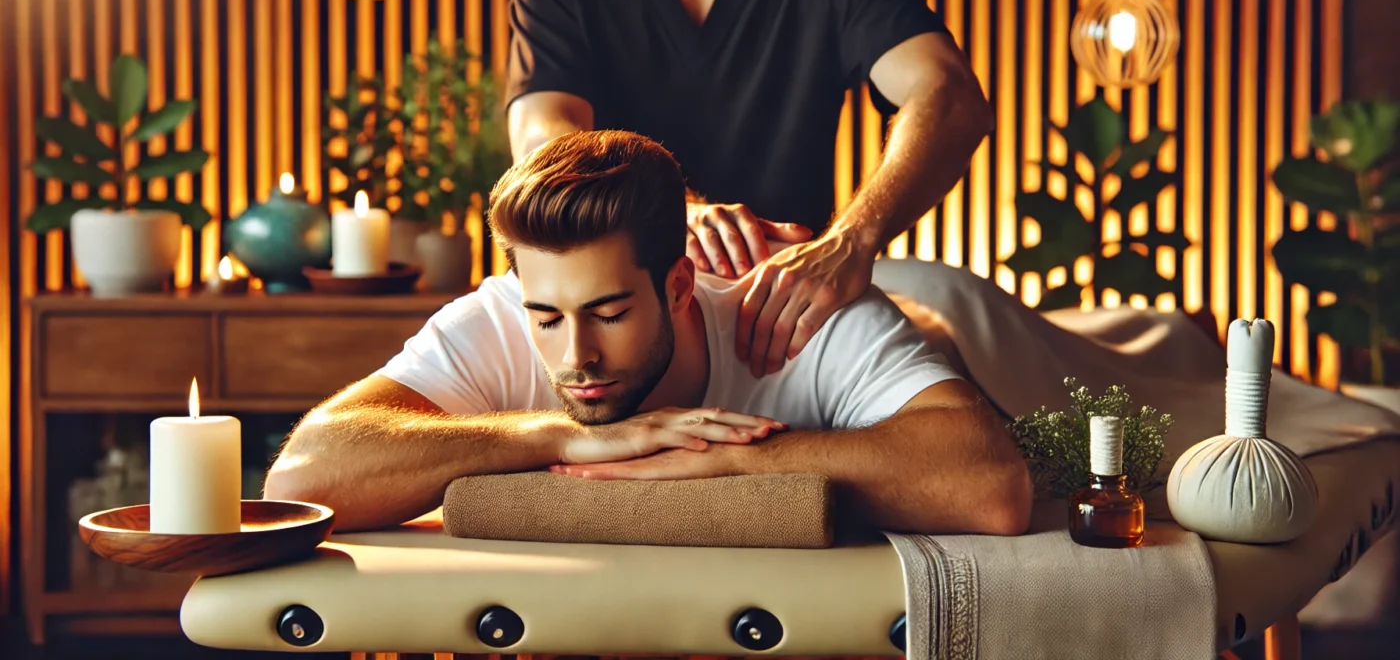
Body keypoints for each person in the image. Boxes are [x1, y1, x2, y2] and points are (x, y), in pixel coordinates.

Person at [264, 131, 1030, 537]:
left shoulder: (798, 311)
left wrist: (727, 462)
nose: (576, 356)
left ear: (677, 285)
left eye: (609, 313)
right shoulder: (497, 315)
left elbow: (991, 489)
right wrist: (555, 439)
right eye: (547, 318)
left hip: (989, 333)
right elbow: (303, 478)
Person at [506, 0, 994, 379]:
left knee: (958, 310)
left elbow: (950, 96)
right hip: (618, 307)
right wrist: (667, 214)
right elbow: (544, 136)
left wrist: (852, 242)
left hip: (790, 309)